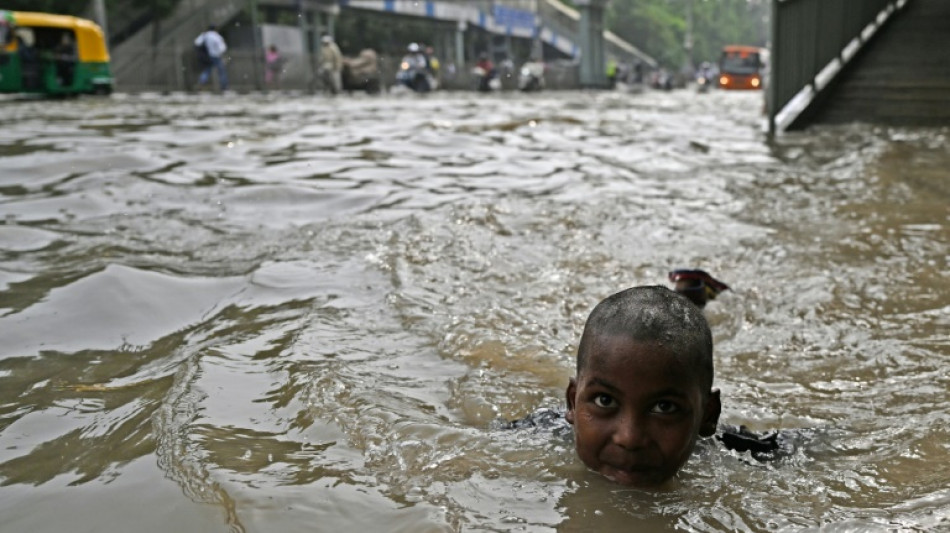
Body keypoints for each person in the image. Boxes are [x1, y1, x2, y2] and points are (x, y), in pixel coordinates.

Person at [498, 286, 794, 489]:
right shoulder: (529, 440)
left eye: (664, 407)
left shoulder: (733, 450)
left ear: (708, 415)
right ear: (573, 403)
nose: (629, 438)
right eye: (604, 400)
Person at [194, 24, 228, 91]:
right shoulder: (217, 36)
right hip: (216, 56)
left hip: (207, 56)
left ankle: (201, 82)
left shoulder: (204, 35)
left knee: (207, 70)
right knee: (221, 71)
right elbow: (223, 48)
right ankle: (224, 86)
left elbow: (197, 43)